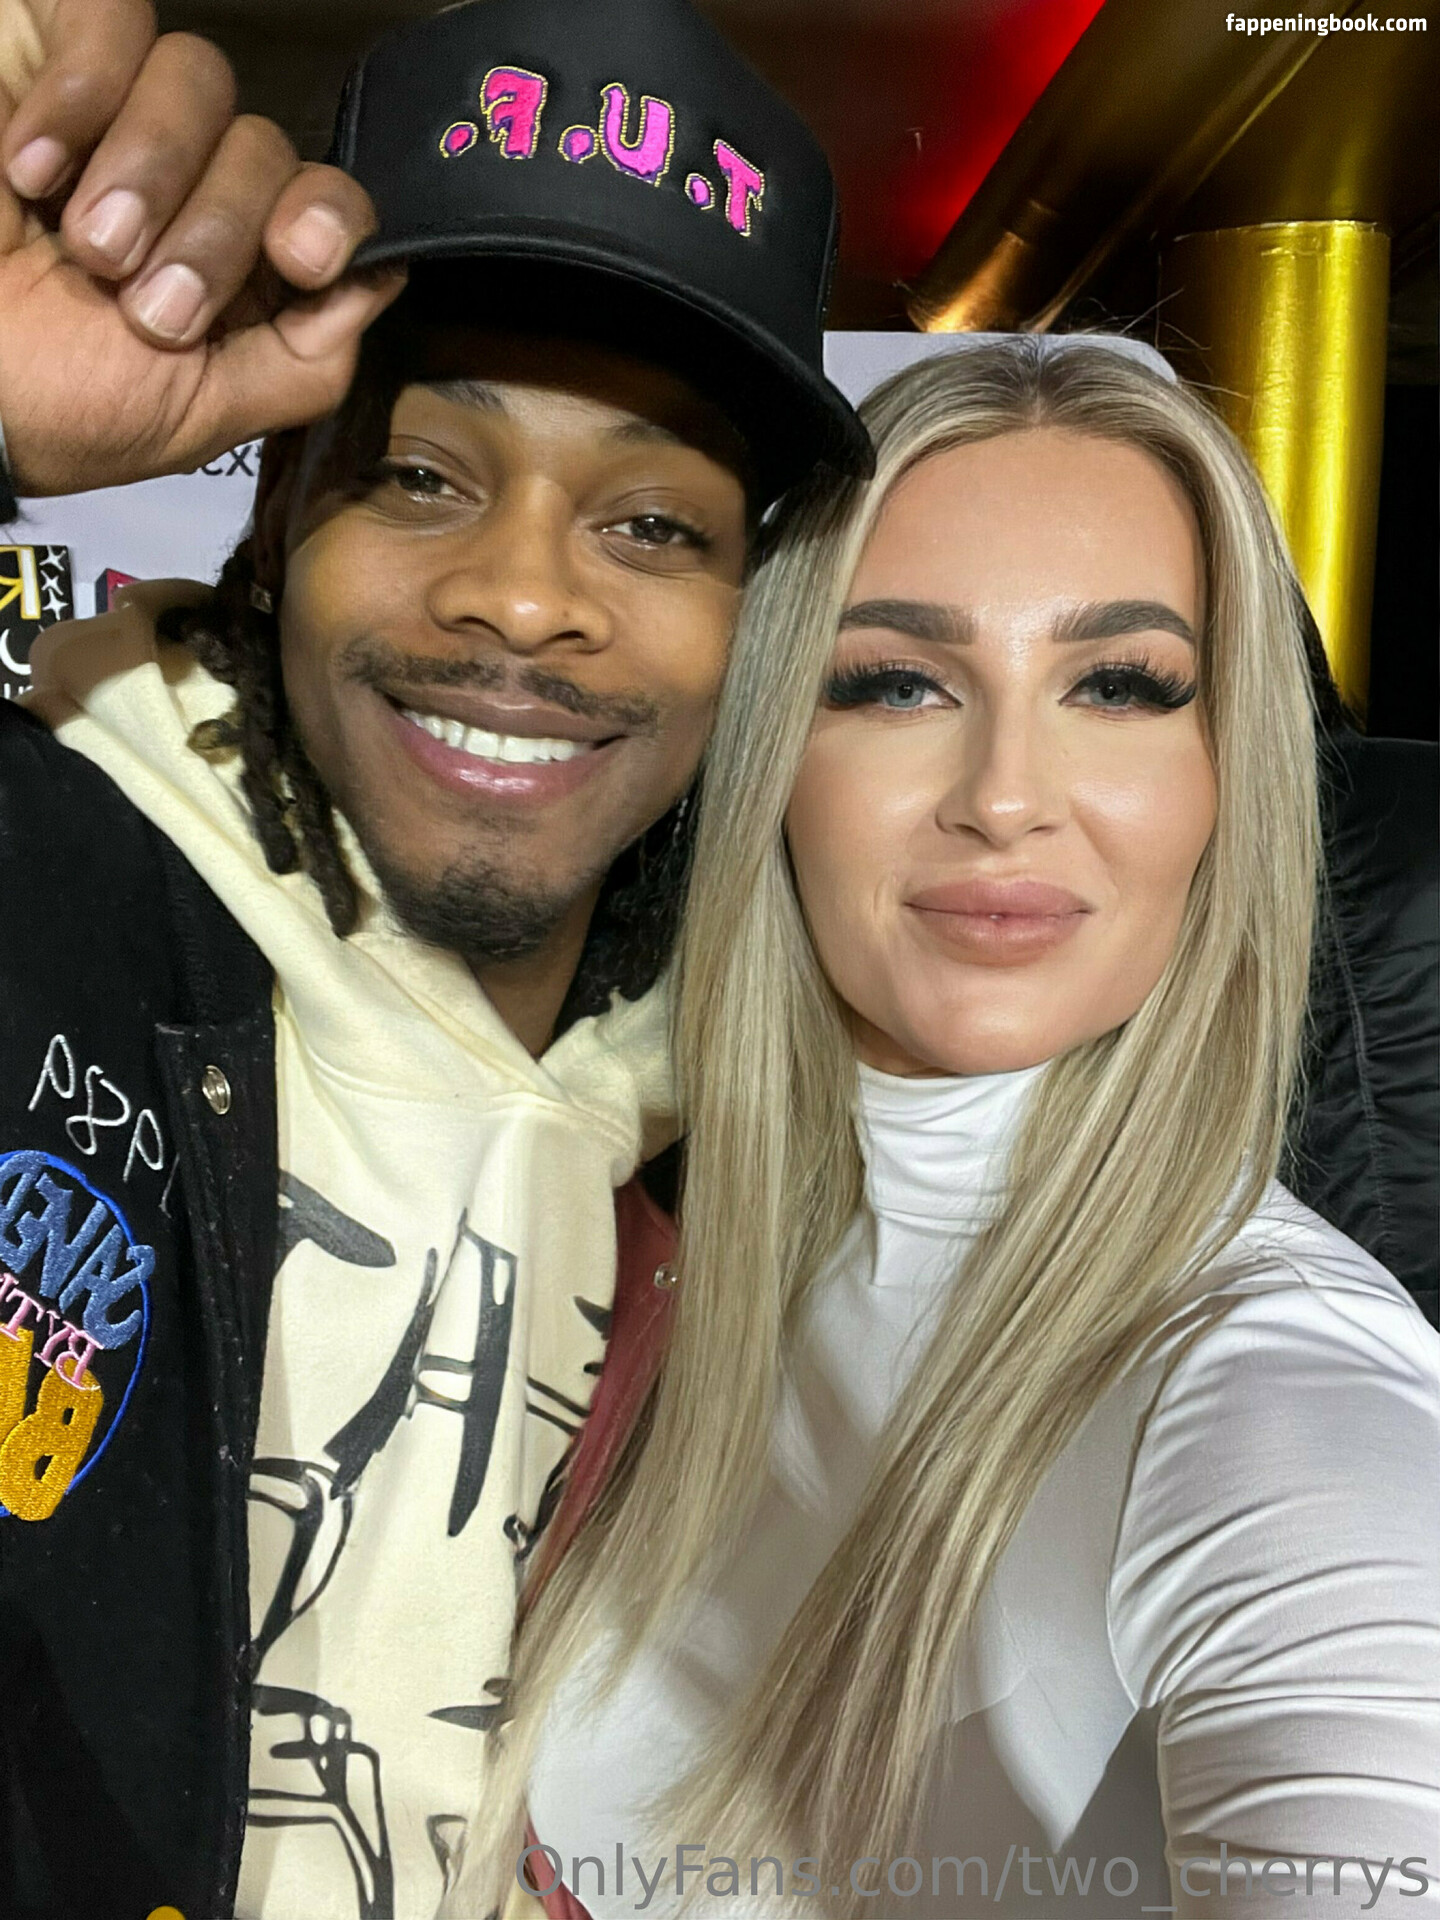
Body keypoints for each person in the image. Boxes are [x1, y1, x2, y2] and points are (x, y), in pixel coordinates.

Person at [0, 0, 868, 1914]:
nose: (524, 596)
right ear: (275, 523)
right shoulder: (42, 910)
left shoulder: (760, 1154)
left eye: (655, 523)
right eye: (418, 475)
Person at [487, 341, 1440, 1919]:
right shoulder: (641, 1247)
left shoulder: (1277, 1386)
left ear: (1230, 778)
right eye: (896, 682)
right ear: (772, 753)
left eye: (1118, 687)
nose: (1004, 795)